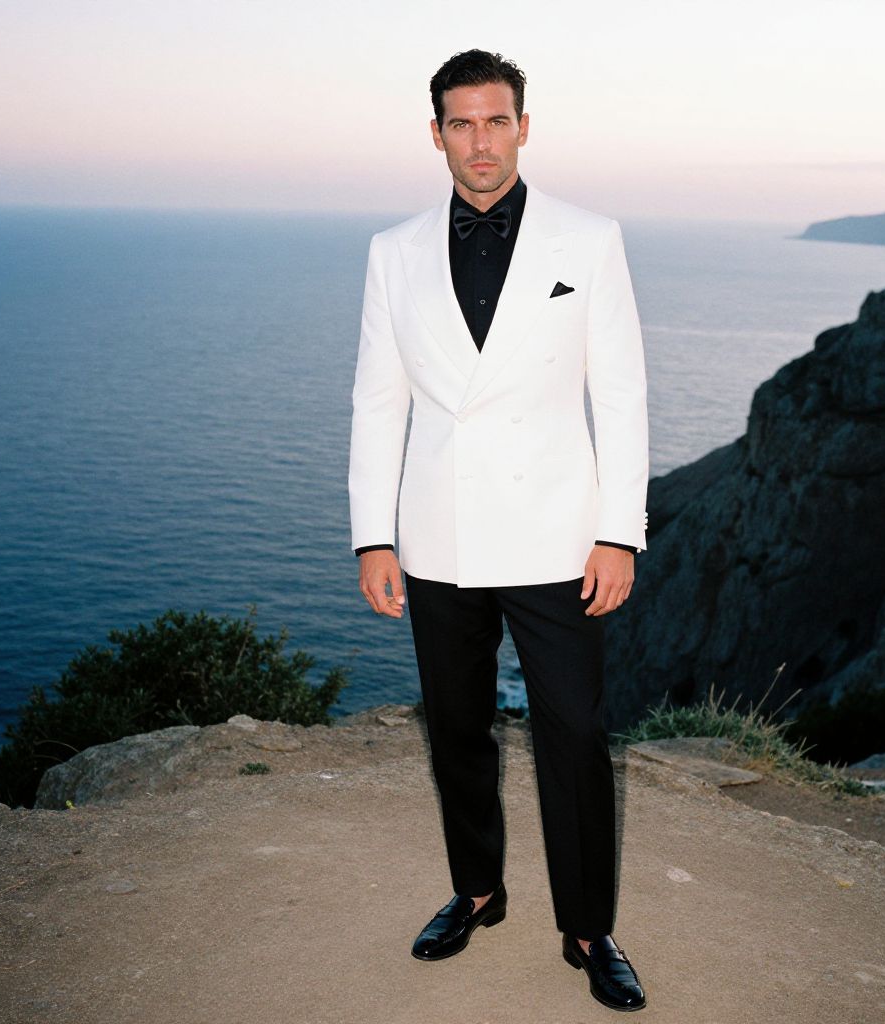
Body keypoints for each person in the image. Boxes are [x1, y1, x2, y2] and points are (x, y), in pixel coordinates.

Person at [348, 49, 649, 1012]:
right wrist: (372, 536)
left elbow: (625, 393)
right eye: (461, 124)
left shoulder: (591, 237)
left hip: (560, 535)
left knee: (575, 733)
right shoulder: (391, 252)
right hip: (438, 535)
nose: (481, 141)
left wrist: (619, 532)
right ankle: (478, 890)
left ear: (525, 125)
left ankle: (589, 928)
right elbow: (375, 402)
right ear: (435, 133)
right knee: (458, 730)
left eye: (497, 120)